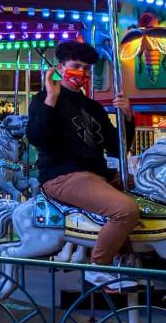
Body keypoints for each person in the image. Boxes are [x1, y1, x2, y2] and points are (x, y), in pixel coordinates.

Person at [26, 40, 137, 291]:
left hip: (96, 174)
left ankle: (129, 257)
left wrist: (128, 116)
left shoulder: (93, 107)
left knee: (148, 194)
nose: (82, 73)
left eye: (87, 69)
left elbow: (116, 147)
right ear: (60, 67)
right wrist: (51, 98)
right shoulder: (44, 98)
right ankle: (99, 269)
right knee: (125, 209)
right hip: (63, 175)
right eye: (76, 66)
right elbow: (36, 137)